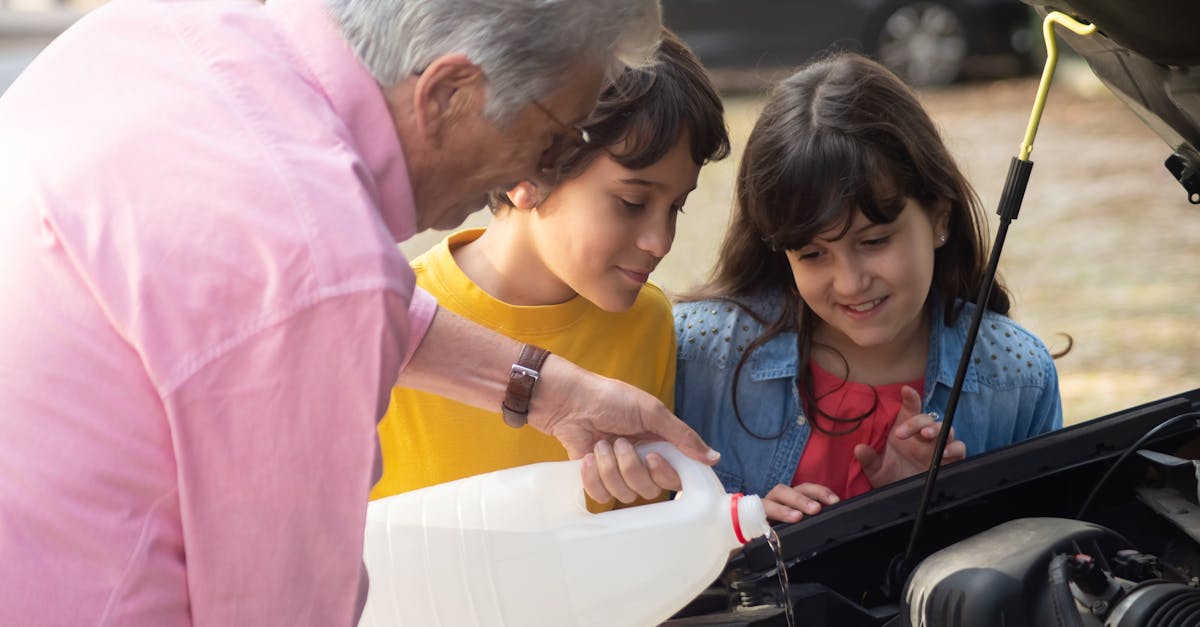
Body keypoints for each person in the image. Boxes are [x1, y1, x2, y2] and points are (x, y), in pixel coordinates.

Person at [0, 0, 719, 625]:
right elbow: (280, 609)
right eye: (555, 139)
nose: (535, 172)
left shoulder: (154, 32)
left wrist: (552, 391)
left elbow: (262, 297)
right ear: (449, 92)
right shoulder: (320, 262)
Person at [674, 52, 1063, 524]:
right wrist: (733, 528)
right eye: (813, 254)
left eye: (874, 241)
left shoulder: (1018, 378)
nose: (851, 282)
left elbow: (1036, 559)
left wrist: (914, 513)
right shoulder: (693, 353)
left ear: (939, 217)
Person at [372, 28, 730, 507]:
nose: (660, 241)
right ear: (528, 169)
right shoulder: (385, 319)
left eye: (676, 207)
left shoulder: (649, 322)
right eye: (631, 202)